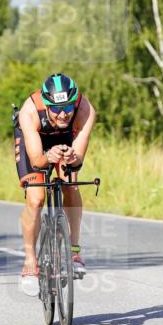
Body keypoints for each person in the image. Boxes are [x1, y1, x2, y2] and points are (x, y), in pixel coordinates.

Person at [13, 73, 96, 296]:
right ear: (47, 104)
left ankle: (74, 250)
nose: (63, 114)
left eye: (68, 108)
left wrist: (71, 157)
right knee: (36, 198)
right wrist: (48, 156)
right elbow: (37, 160)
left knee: (70, 185)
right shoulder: (29, 112)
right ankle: (30, 261)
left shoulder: (85, 110)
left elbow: (78, 158)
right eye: (57, 109)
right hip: (38, 144)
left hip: (67, 139)